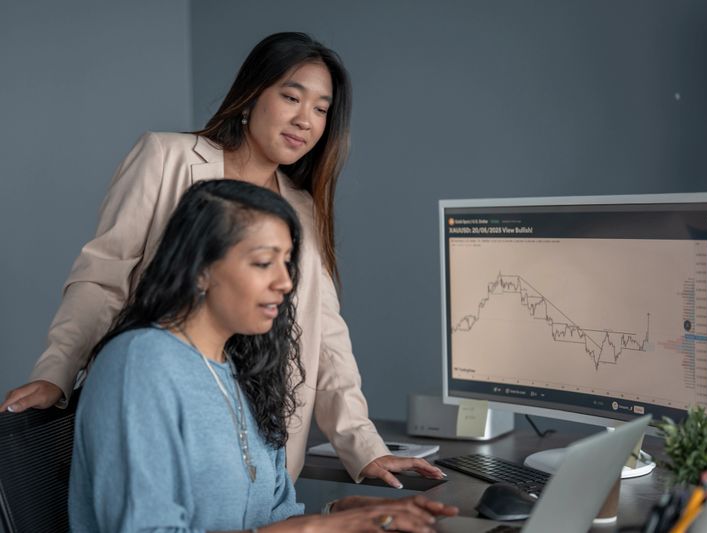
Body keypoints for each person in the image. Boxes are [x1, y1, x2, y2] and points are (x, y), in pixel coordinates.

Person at [2, 32, 440, 487]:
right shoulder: (166, 158)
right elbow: (102, 278)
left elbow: (324, 333)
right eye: (292, 97)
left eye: (321, 109)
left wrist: (363, 448)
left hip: (259, 433)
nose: (305, 120)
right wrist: (56, 371)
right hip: (163, 414)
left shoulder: (303, 209)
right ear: (251, 96)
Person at [70, 179, 458, 532]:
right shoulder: (139, 364)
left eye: (286, 262)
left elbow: (268, 517)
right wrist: (314, 530)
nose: (285, 282)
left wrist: (341, 514)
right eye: (262, 262)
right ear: (199, 270)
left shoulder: (241, 369)